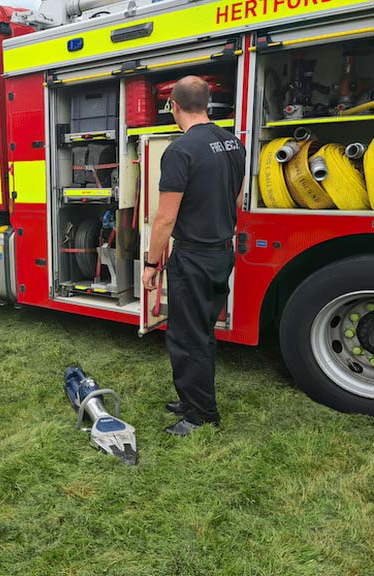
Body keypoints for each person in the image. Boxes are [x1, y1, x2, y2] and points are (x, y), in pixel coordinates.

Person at [141, 76, 246, 436]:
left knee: (188, 338)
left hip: (194, 258)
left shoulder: (180, 151)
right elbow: (236, 198)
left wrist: (152, 264)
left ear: (174, 106)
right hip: (220, 253)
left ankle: (200, 416)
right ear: (206, 102)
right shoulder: (233, 142)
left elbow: (165, 217)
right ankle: (191, 399)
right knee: (201, 332)